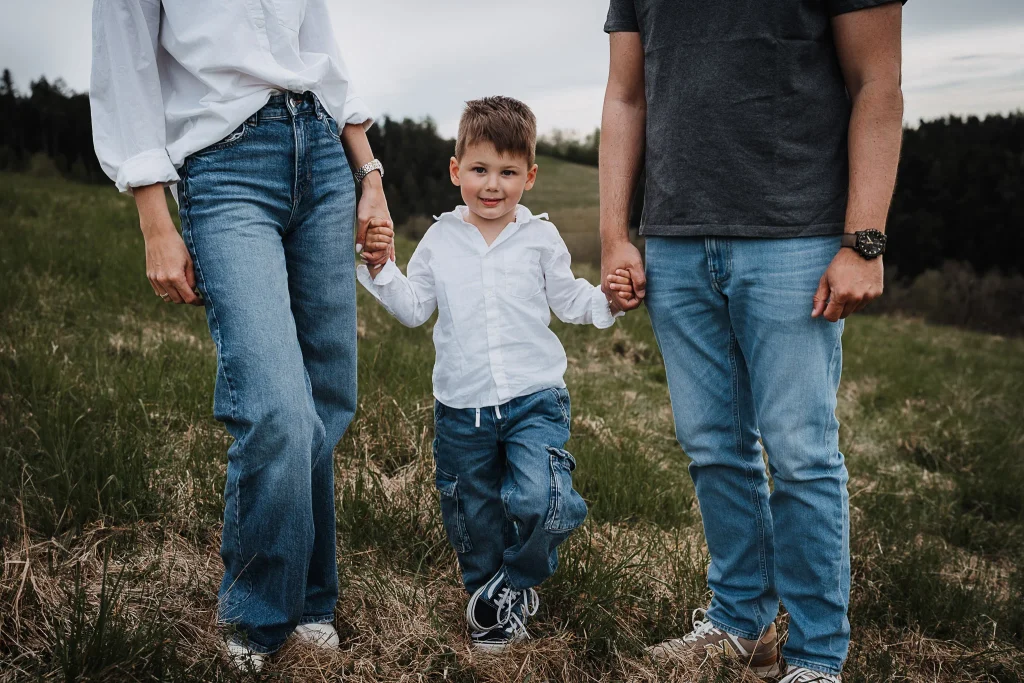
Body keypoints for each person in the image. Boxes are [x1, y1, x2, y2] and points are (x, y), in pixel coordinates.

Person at [599, 0, 905, 680]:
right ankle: (742, 621)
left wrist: (865, 240)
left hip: (796, 235)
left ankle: (818, 655)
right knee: (713, 446)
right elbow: (625, 96)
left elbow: (876, 84)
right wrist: (616, 233)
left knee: (801, 452)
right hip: (674, 238)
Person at [89, 0, 393, 671]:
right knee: (277, 409)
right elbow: (125, 66)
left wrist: (369, 174)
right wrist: (153, 219)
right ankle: (256, 614)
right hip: (224, 169)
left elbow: (321, 47)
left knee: (326, 397)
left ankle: (311, 599)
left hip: (321, 151)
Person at [356, 96, 636, 652]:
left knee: (542, 501)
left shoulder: (540, 239)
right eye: (480, 169)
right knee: (471, 513)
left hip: (535, 399)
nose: (493, 185)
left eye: (508, 172)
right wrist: (381, 268)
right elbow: (415, 309)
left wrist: (608, 298)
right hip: (462, 406)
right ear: (456, 169)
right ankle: (492, 606)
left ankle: (518, 578)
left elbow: (569, 299)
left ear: (529, 177)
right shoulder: (439, 240)